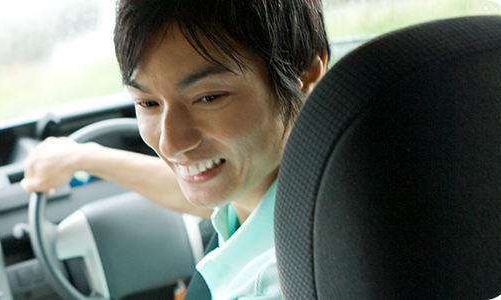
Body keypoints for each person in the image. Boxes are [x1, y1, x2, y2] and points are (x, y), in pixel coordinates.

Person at [21, 0, 330, 299]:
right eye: (148, 103)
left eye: (209, 98)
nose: (170, 144)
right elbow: (202, 192)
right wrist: (84, 157)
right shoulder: (305, 185)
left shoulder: (276, 283)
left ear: (304, 72)